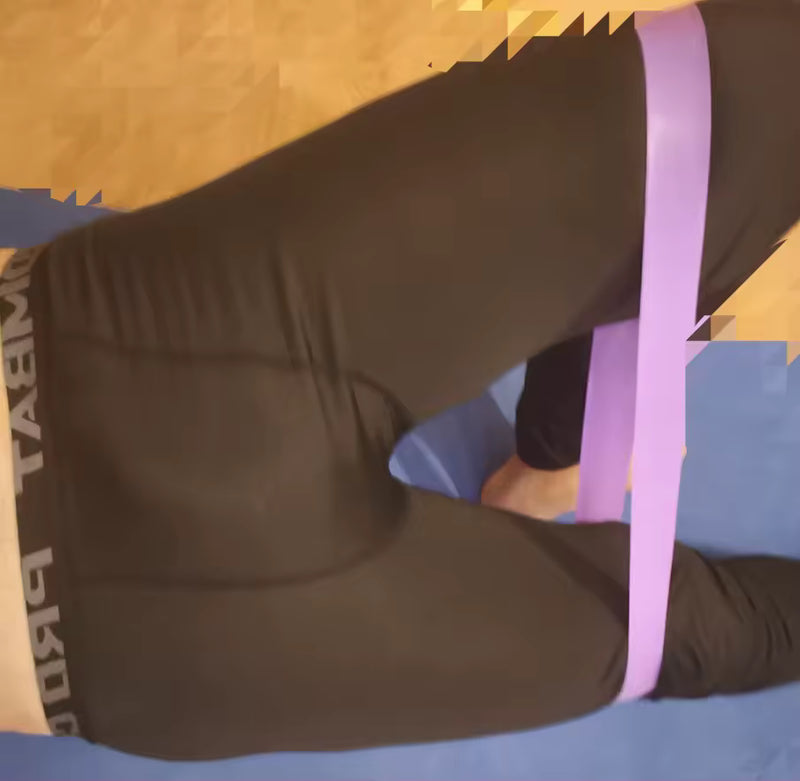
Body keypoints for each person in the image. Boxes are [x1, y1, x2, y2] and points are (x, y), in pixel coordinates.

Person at [1, 0, 798, 761]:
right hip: (127, 630)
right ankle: (565, 449)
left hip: (104, 324)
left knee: (736, 100)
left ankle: (560, 450)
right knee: (701, 631)